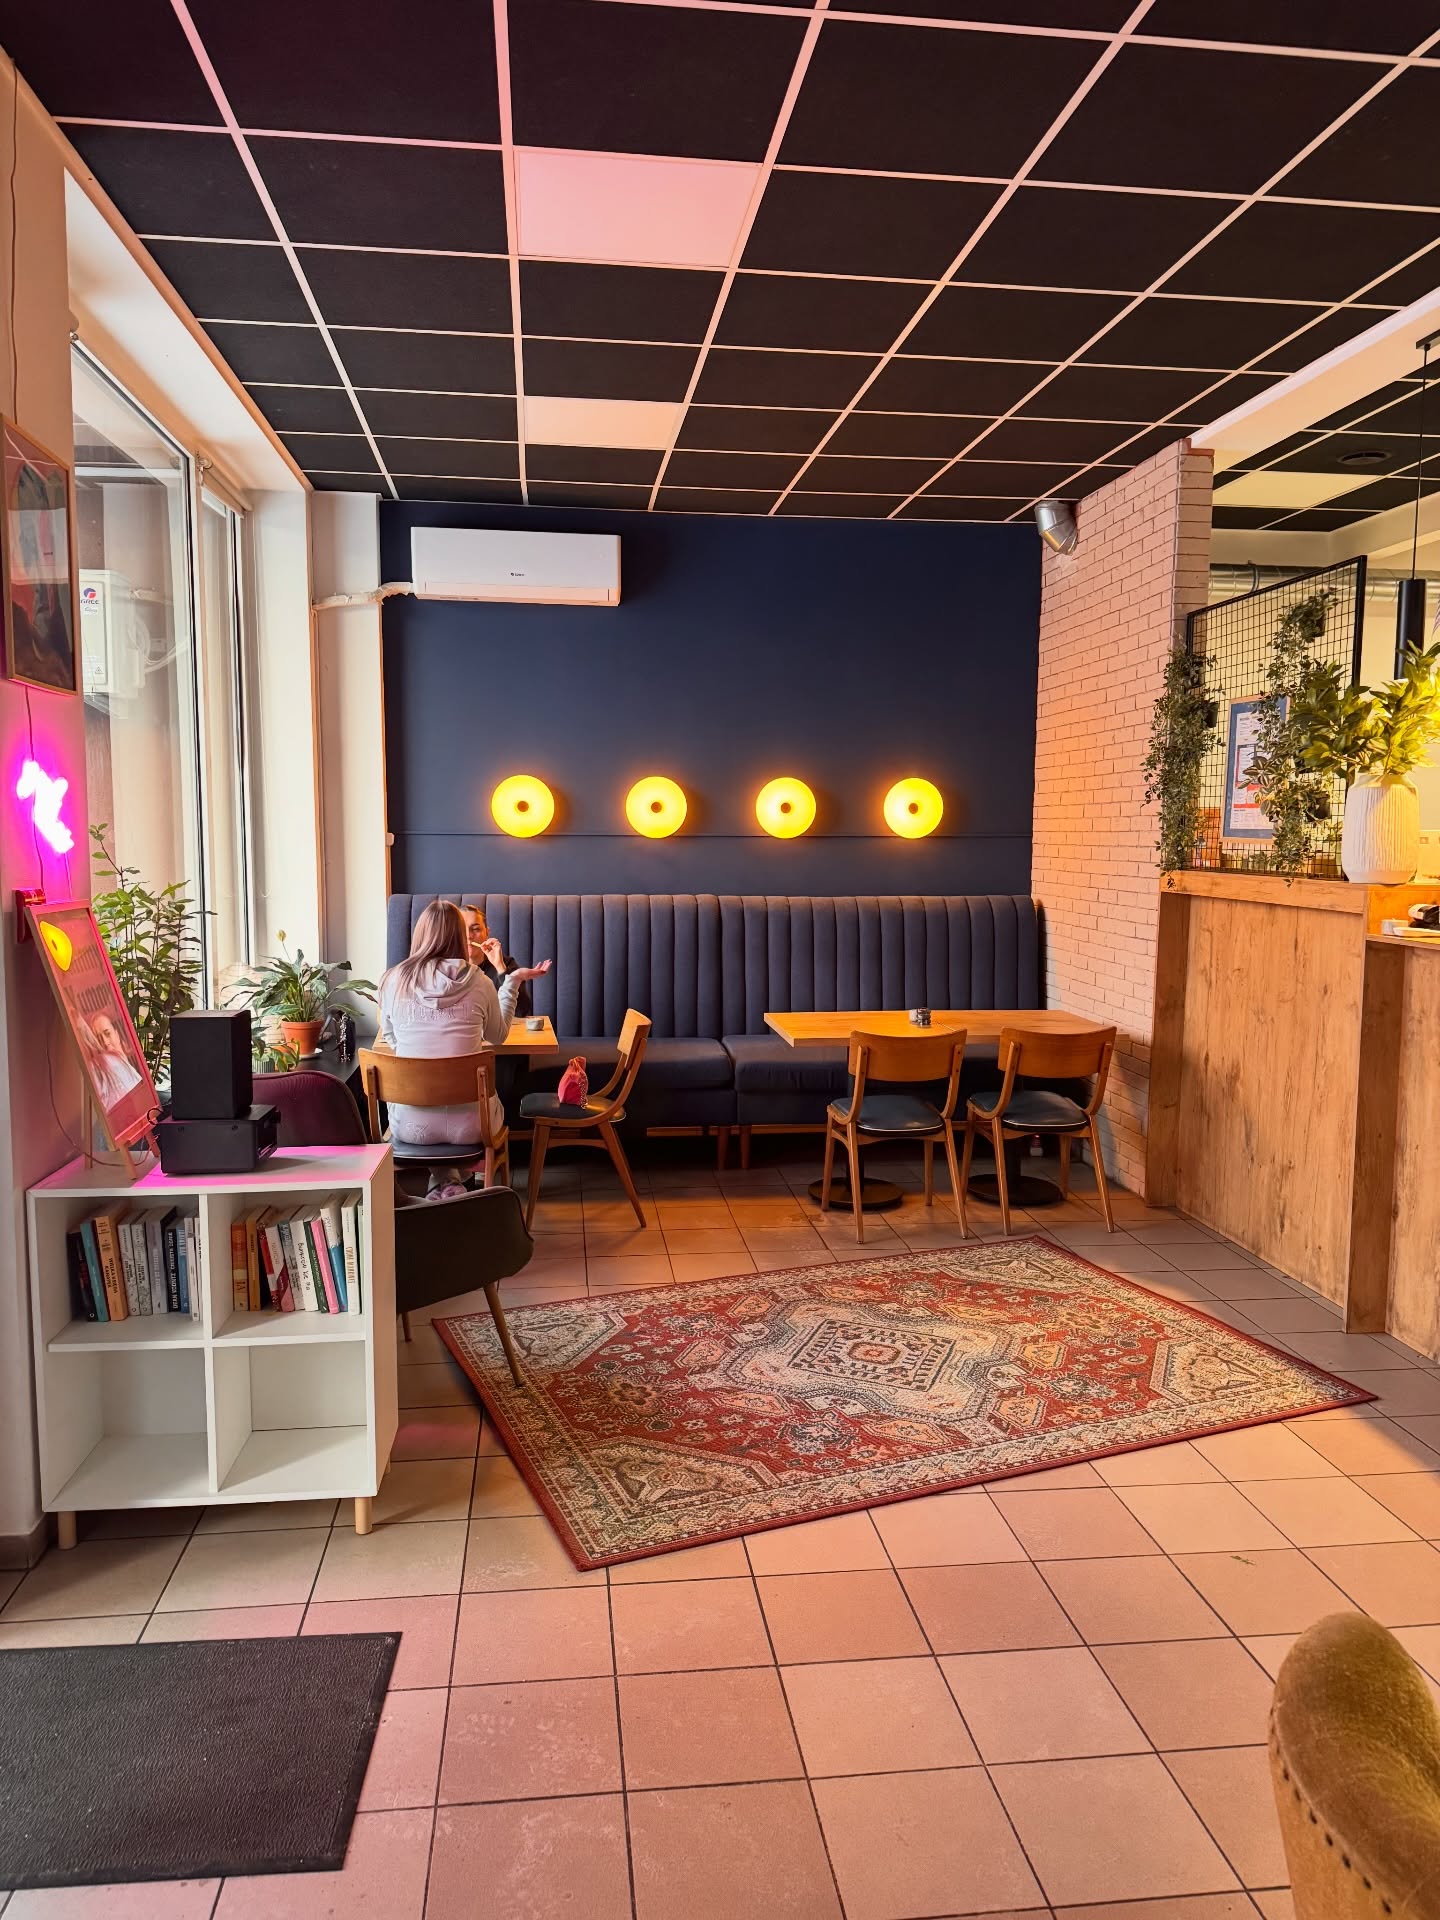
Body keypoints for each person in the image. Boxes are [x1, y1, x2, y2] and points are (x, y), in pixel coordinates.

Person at [377, 900, 551, 1199]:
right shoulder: (479, 981)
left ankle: (444, 1183)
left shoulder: (392, 980)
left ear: (420, 934)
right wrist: (510, 983)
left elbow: (392, 1039)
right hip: (472, 1126)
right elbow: (497, 1036)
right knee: (477, 1103)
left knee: (430, 1108)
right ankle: (453, 1184)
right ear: (460, 936)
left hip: (410, 1126)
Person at [83, 1009, 143, 1110]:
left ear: (117, 1034)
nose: (105, 1042)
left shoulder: (131, 1065)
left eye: (107, 1034)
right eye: (98, 1039)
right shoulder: (97, 1067)